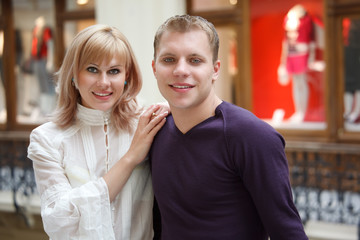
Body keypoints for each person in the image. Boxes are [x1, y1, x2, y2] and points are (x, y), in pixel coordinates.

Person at [150, 15, 309, 240]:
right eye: (169, 59)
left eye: (195, 60)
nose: (181, 70)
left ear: (215, 69)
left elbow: (288, 233)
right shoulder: (156, 130)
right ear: (154, 68)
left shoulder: (251, 136)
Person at [27, 24, 168, 239]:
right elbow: (60, 221)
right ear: (74, 74)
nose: (104, 83)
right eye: (92, 69)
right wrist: (130, 159)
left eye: (114, 71)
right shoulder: (46, 140)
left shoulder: (147, 123)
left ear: (126, 75)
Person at [278, 4, 316, 122]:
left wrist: (312, 57)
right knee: (295, 83)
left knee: (301, 82)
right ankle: (298, 111)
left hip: (302, 54)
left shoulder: (306, 19)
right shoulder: (287, 18)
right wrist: (283, 61)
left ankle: (302, 112)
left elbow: (311, 39)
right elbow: (285, 41)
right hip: (291, 54)